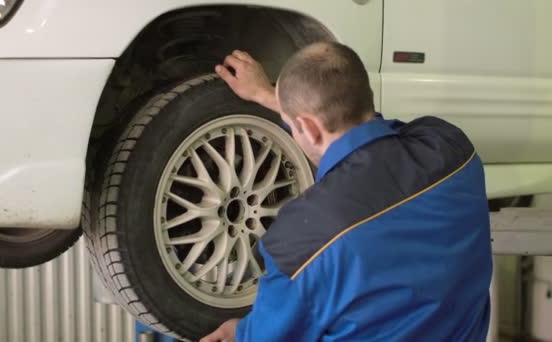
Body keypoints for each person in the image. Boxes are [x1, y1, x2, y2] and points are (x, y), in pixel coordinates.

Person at [201, 42, 492, 342]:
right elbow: (364, 127)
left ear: (308, 127)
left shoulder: (303, 241)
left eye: (291, 125)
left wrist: (240, 332)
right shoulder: (452, 149)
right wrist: (273, 98)